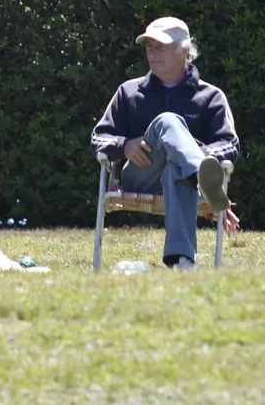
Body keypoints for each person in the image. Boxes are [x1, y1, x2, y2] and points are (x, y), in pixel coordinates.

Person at [90, 16, 240, 270]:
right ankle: (201, 178)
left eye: (160, 46)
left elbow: (229, 144)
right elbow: (98, 138)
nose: (152, 53)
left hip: (181, 180)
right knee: (167, 121)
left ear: (184, 50)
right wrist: (125, 145)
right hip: (141, 175)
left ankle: (182, 261)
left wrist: (191, 152)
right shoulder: (129, 92)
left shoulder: (211, 96)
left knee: (177, 167)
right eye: (149, 46)